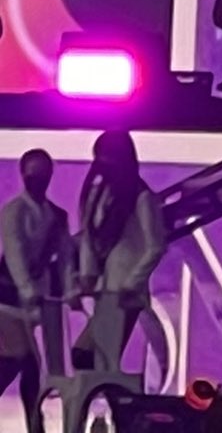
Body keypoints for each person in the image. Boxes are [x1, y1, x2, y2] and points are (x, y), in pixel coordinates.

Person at [71, 130, 164, 373]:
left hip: (125, 292)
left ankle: (113, 396)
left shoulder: (142, 197)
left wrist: (131, 284)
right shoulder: (98, 194)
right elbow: (89, 235)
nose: (103, 165)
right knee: (89, 357)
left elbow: (155, 246)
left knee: (96, 358)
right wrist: (87, 274)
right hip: (105, 288)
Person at [0, 150, 67, 432]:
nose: (37, 179)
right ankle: (35, 424)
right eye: (32, 174)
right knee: (26, 362)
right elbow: (14, 252)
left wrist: (70, 289)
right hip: (6, 298)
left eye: (41, 174)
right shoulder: (14, 211)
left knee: (19, 362)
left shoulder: (57, 216)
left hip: (32, 301)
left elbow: (64, 258)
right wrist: (27, 289)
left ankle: (35, 424)